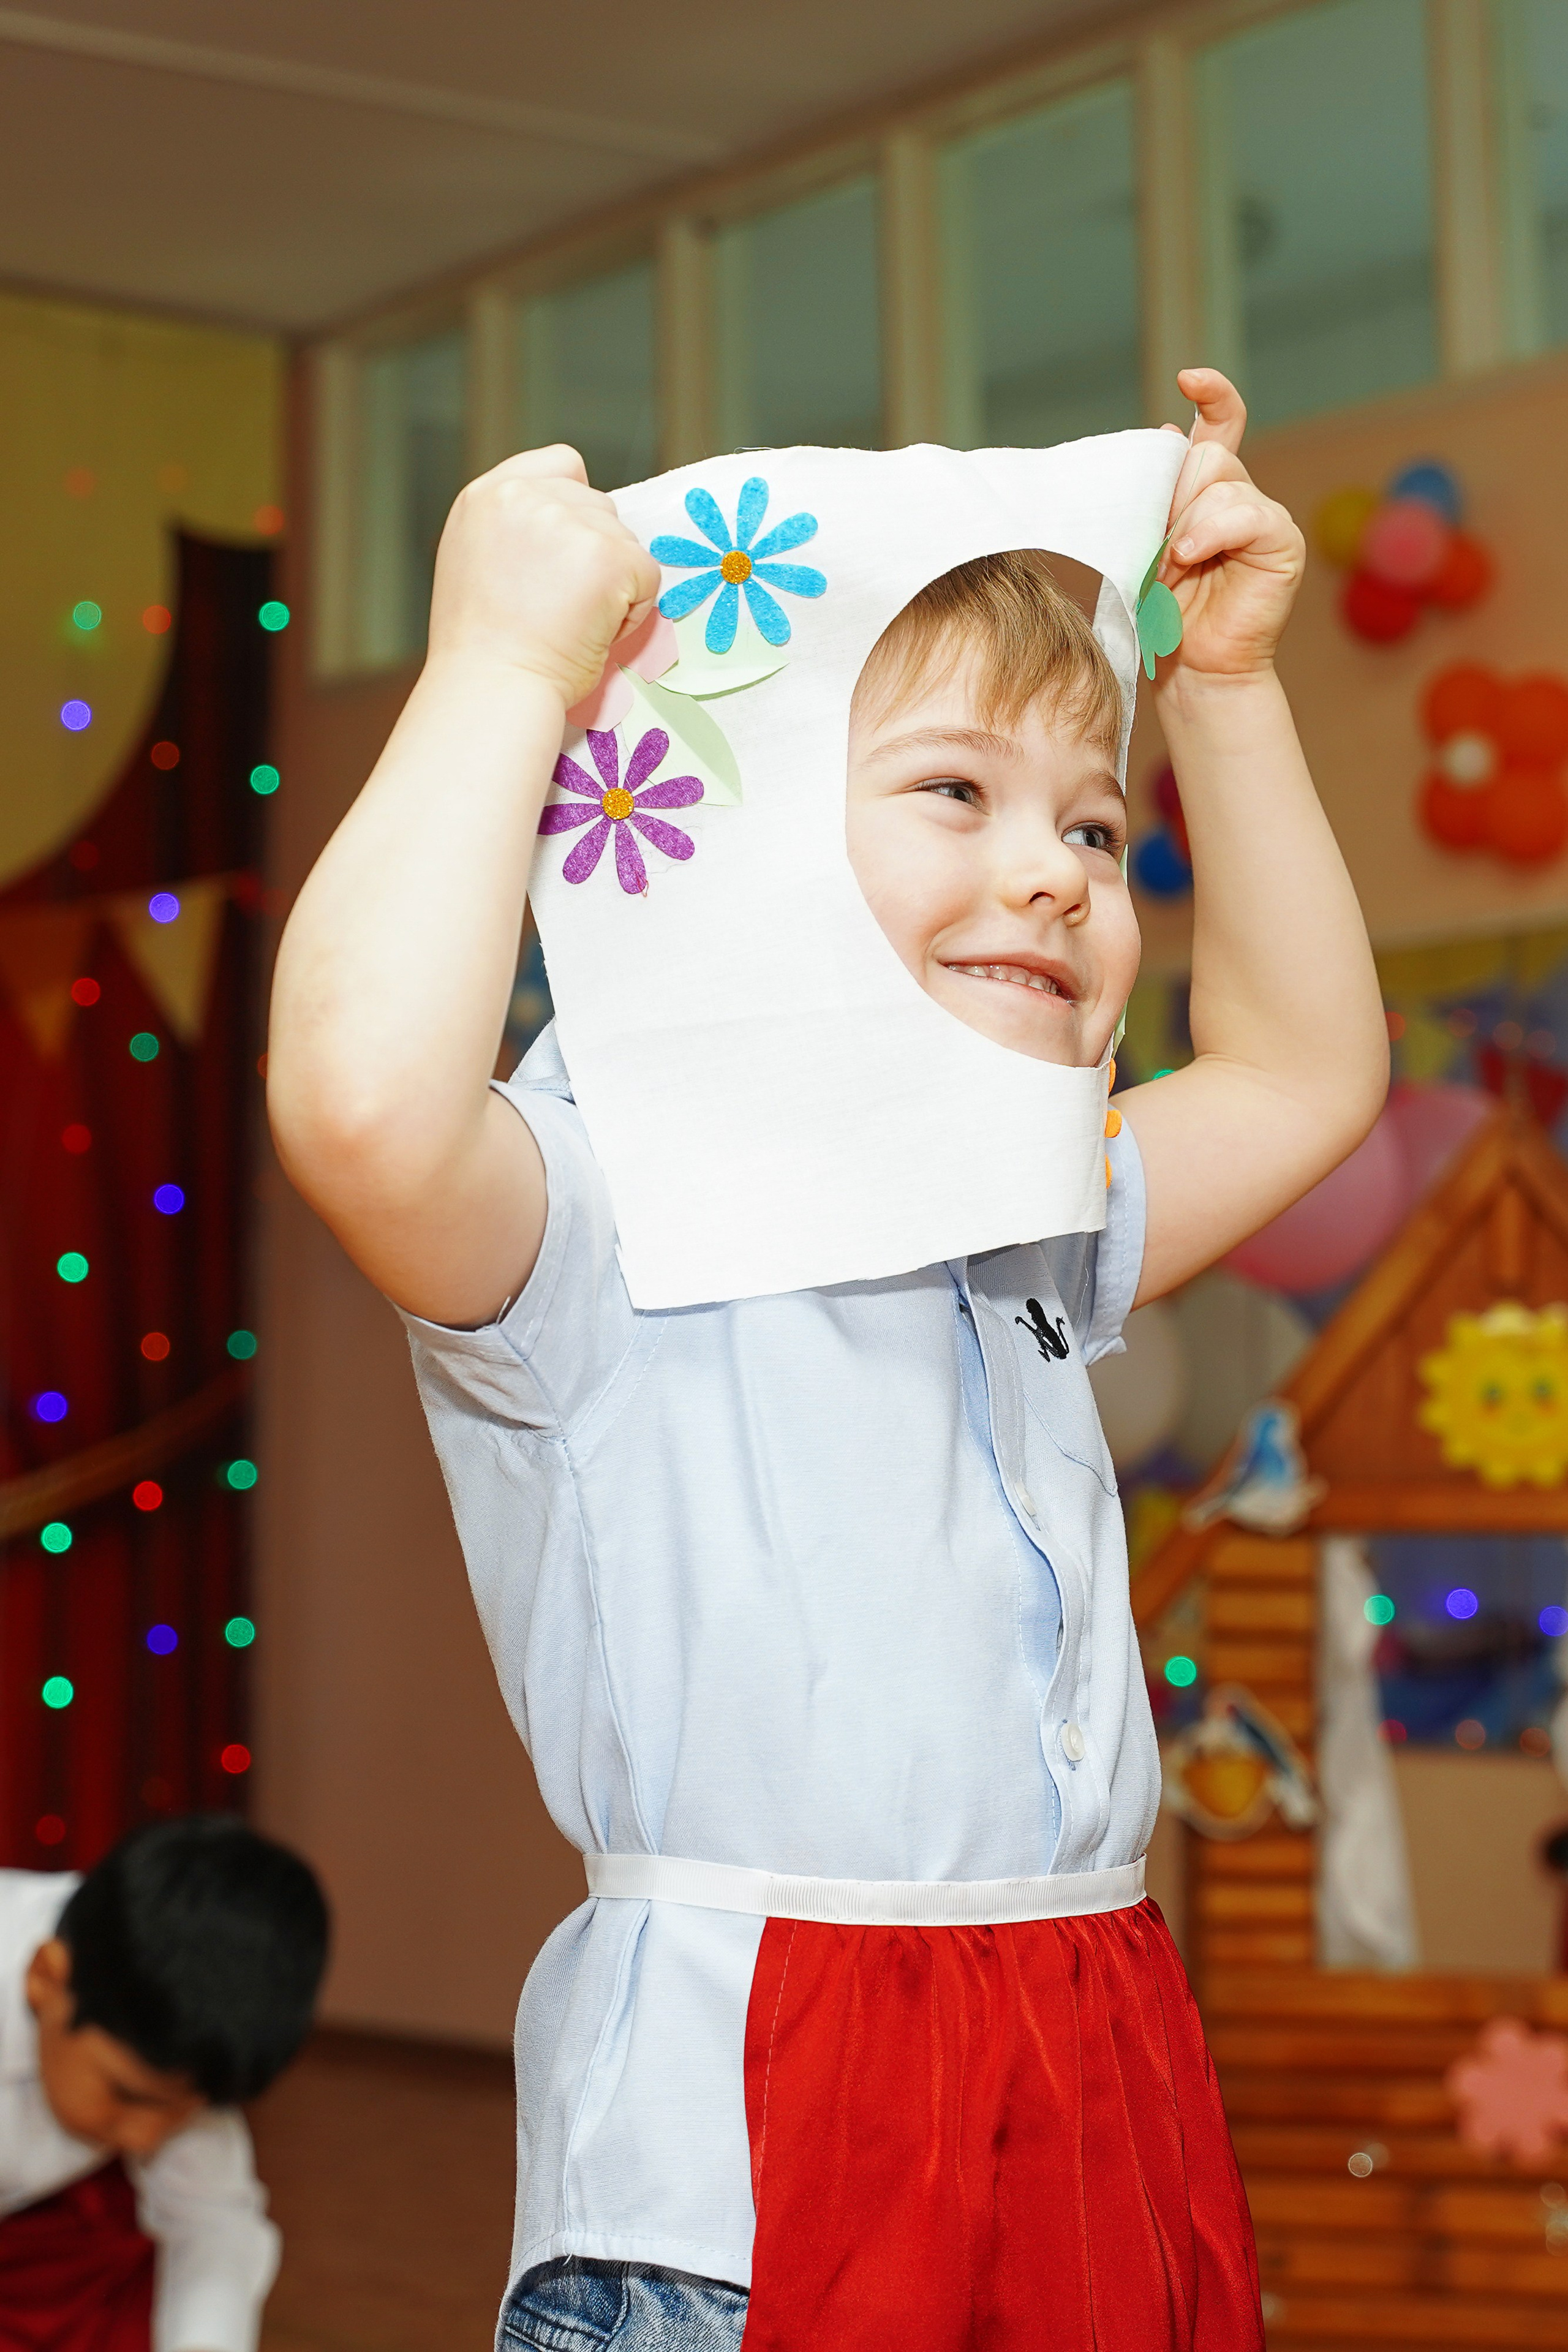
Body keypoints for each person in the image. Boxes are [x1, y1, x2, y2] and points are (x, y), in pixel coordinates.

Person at [267, 369, 1387, 2350]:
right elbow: (360, 1108)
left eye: (1098, 824)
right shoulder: (606, 1212)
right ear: (744, 847)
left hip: (1095, 2054)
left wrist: (1227, 688)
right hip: (753, 2131)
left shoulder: (1032, 1205)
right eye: (958, 791)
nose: (1055, 870)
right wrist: (500, 667)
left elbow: (1307, 1072)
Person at [0, 1816, 329, 2352]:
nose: (144, 2138)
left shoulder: (164, 2031)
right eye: (126, 2094)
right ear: (46, 1979)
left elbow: (212, 2228)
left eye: (186, 2110)